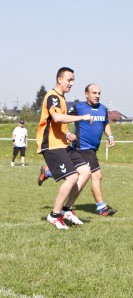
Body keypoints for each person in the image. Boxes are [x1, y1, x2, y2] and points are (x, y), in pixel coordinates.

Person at [37, 84, 117, 216]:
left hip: (93, 149)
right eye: (94, 93)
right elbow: (61, 119)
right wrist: (68, 134)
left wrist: (110, 136)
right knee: (96, 175)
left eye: (99, 93)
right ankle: (101, 207)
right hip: (82, 147)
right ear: (86, 94)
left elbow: (106, 123)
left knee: (76, 175)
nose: (97, 95)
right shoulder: (78, 108)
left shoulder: (103, 109)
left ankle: (49, 172)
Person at [36, 67, 93, 229]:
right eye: (69, 80)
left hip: (62, 144)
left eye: (73, 80)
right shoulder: (52, 97)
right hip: (51, 146)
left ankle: (67, 210)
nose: (72, 83)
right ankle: (54, 215)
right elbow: (56, 117)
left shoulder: (61, 98)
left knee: (85, 172)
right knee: (72, 177)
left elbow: (57, 124)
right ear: (59, 79)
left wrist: (67, 134)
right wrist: (81, 117)